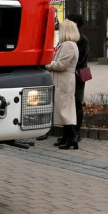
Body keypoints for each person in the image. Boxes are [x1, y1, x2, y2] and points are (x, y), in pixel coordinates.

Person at [45, 18, 80, 150]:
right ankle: (67, 138)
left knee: (64, 110)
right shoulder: (71, 44)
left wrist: (46, 64)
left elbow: (61, 65)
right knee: (65, 109)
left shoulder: (68, 45)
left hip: (63, 80)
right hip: (65, 79)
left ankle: (72, 138)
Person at [67, 14, 90, 144]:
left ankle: (76, 131)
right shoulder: (73, 38)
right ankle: (71, 133)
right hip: (72, 74)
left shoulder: (82, 39)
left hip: (77, 74)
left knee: (77, 102)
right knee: (72, 103)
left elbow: (81, 60)